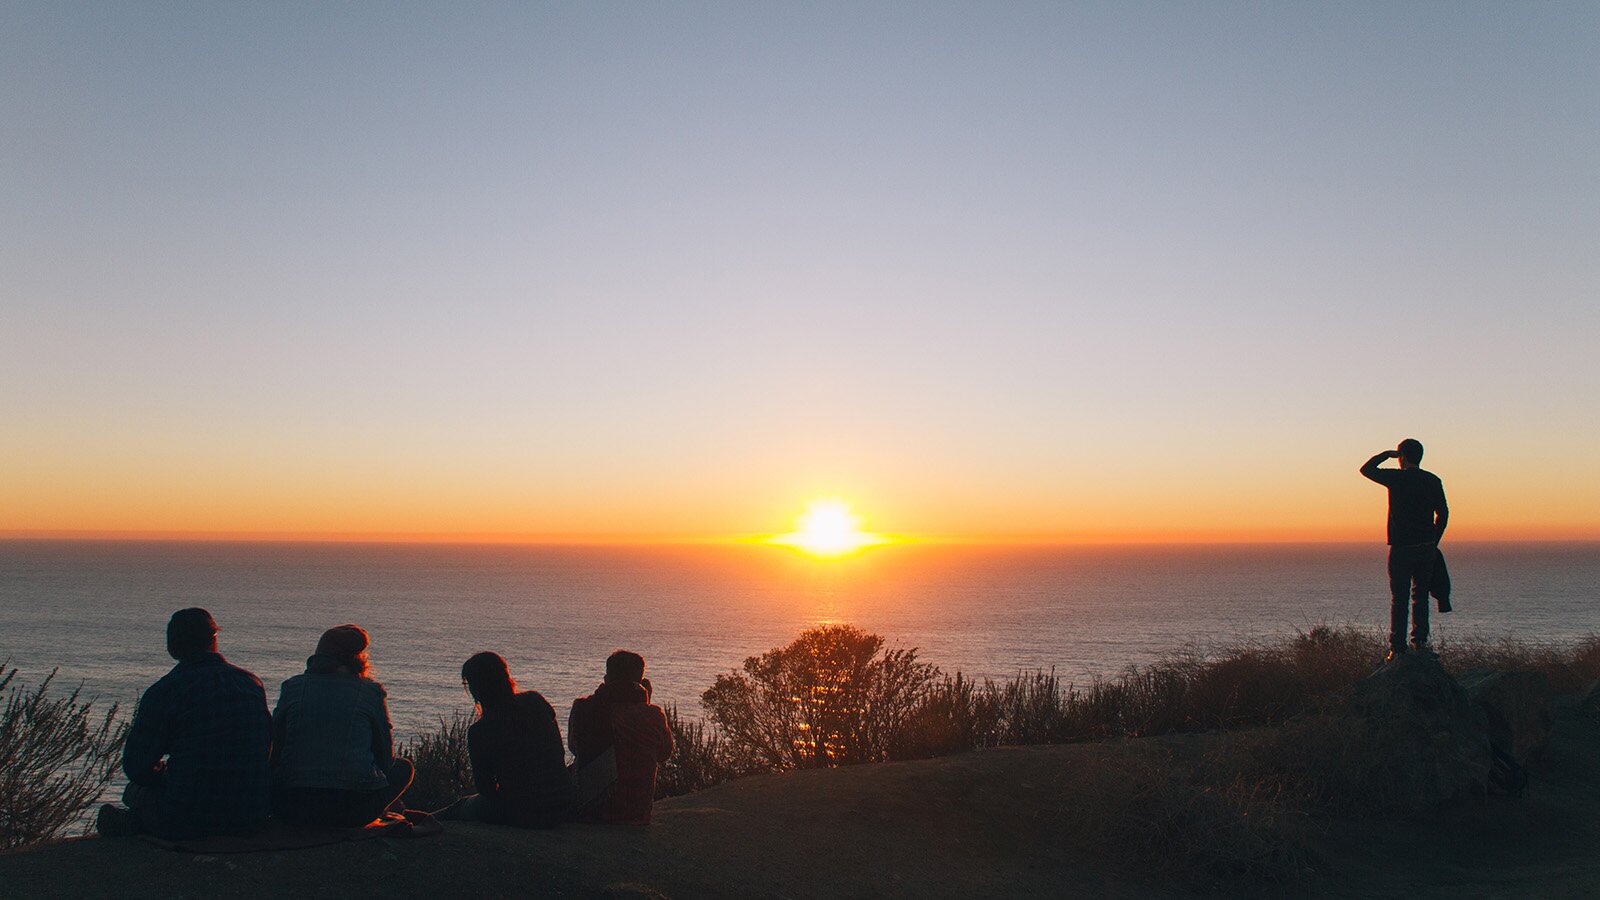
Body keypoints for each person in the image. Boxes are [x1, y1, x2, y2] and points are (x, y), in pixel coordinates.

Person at [96, 608, 272, 839]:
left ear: (172, 647)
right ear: (213, 639)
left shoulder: (165, 691)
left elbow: (137, 767)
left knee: (133, 793)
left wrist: (165, 775)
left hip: (191, 813)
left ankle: (135, 824)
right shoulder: (251, 684)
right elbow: (266, 748)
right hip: (251, 811)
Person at [269, 625, 413, 827]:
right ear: (359, 659)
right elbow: (385, 758)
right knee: (404, 768)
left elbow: (274, 748)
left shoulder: (293, 686)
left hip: (292, 807)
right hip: (350, 811)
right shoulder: (371, 692)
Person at [435, 652, 574, 827]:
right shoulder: (535, 701)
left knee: (460, 808)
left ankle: (418, 819)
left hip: (523, 812)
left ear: (476, 688)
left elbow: (486, 790)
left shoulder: (480, 731)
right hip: (562, 802)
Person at [1361, 439, 1450, 659]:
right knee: (1420, 596)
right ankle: (1419, 642)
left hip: (1401, 548)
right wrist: (1434, 540)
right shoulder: (1432, 480)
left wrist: (1385, 454)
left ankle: (1397, 648)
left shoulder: (1397, 478)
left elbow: (1366, 469)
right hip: (1426, 548)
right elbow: (1444, 514)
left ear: (1402, 457)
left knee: (1399, 599)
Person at [568, 650, 673, 825]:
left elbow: (574, 747)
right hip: (636, 813)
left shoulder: (583, 709)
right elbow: (664, 754)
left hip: (591, 810)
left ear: (606, 680)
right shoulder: (653, 715)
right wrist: (645, 702)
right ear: (642, 682)